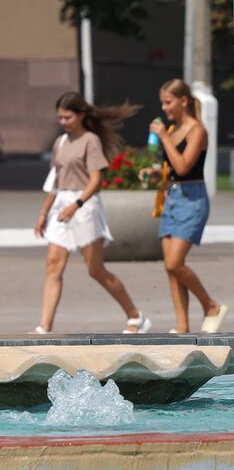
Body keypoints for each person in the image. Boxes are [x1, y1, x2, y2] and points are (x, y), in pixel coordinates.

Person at [32, 92, 150, 335]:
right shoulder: (60, 143)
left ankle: (135, 316)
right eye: (60, 118)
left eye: (67, 117)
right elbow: (54, 181)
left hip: (84, 205)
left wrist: (77, 205)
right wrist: (43, 213)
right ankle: (44, 327)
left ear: (81, 115)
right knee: (53, 266)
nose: (63, 122)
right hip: (61, 205)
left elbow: (96, 179)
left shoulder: (90, 140)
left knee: (95, 270)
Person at [145, 79, 227, 334]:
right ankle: (182, 326)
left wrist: (163, 137)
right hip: (172, 197)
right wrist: (155, 174)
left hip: (192, 200)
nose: (164, 107)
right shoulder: (173, 129)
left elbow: (184, 166)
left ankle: (210, 305)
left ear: (184, 101)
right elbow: (173, 171)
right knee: (171, 270)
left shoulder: (197, 131)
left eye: (168, 102)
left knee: (174, 263)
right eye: (163, 102)